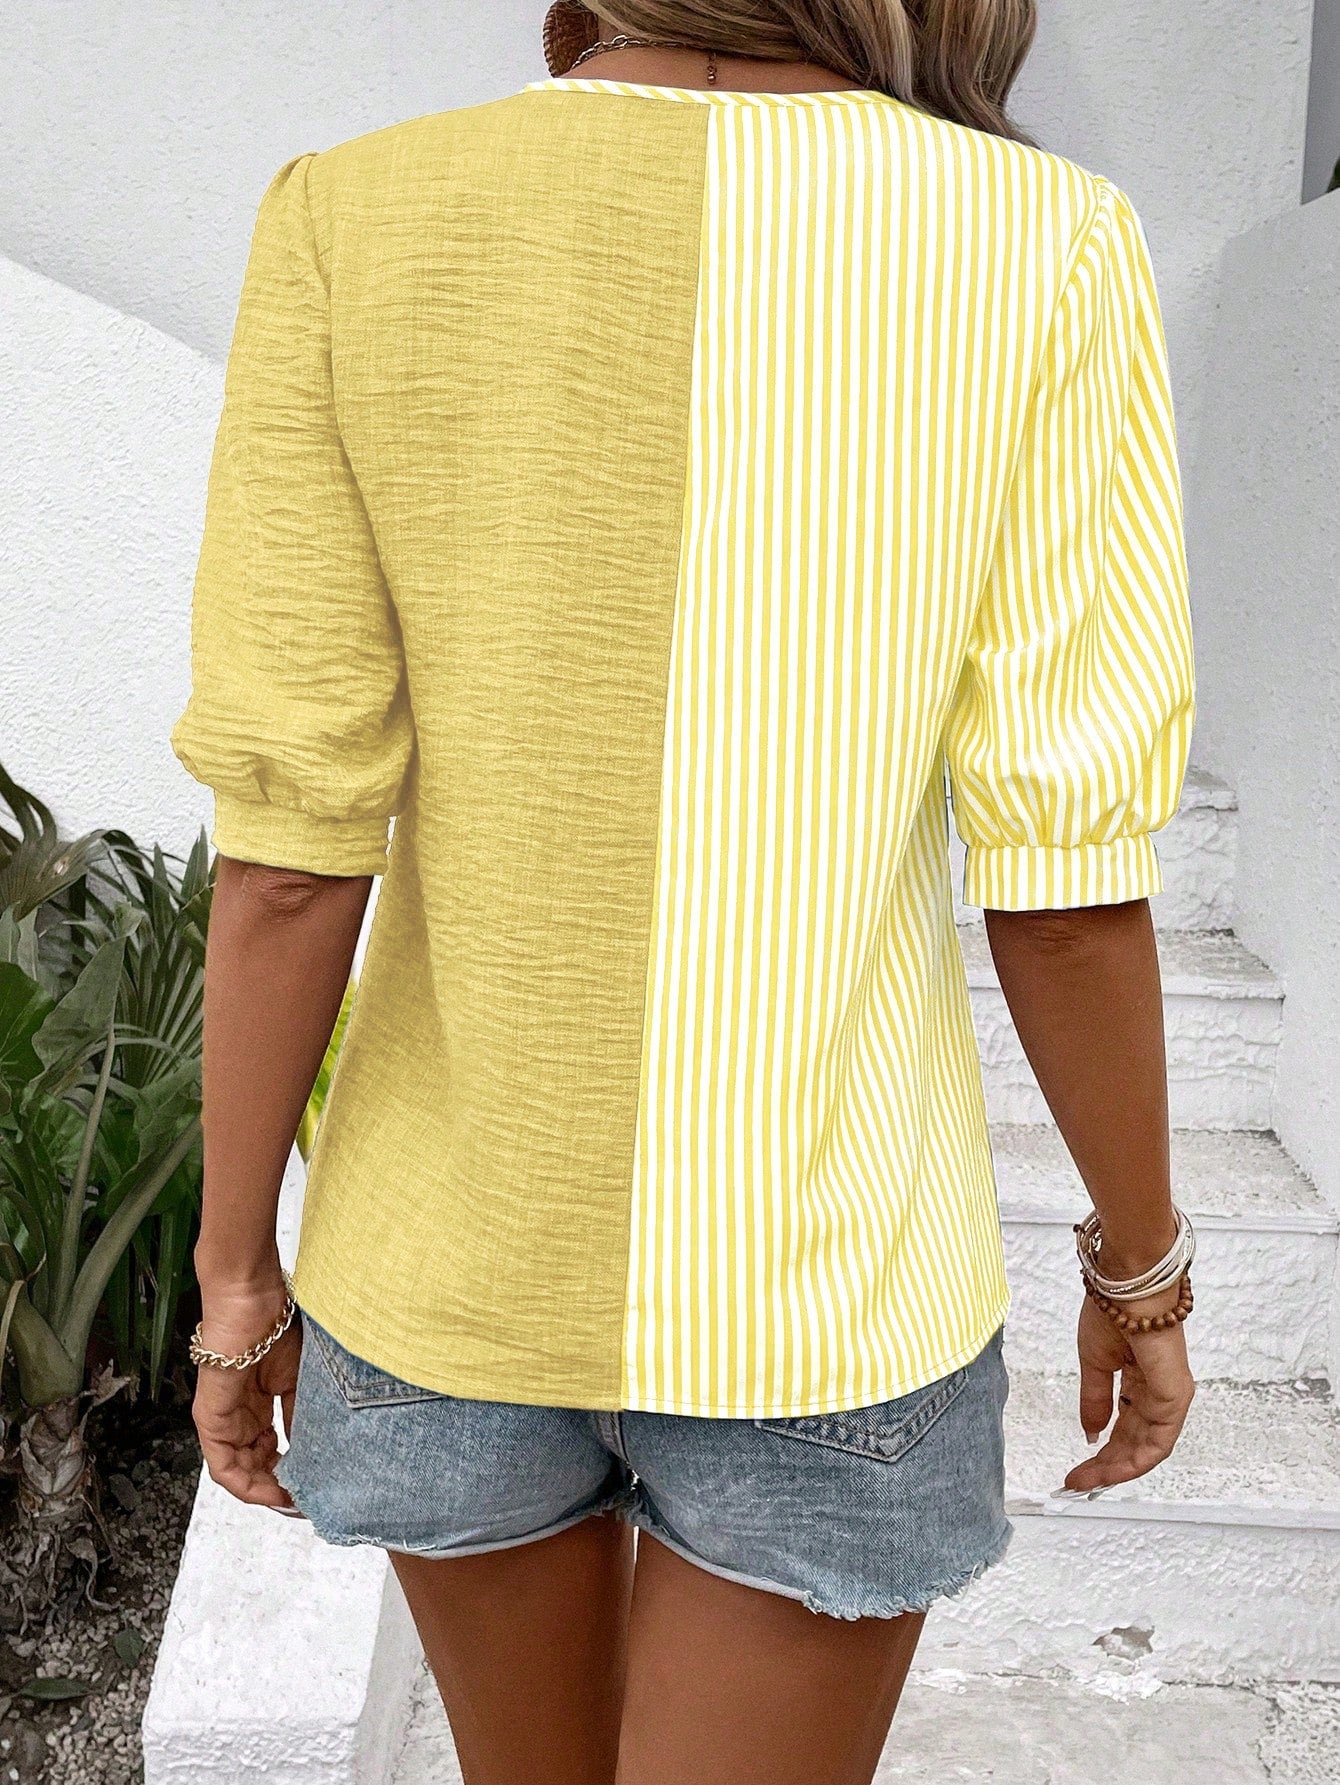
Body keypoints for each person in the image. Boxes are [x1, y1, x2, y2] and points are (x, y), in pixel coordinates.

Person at [171, 4, 1199, 1781]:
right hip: (827, 1295)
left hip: (448, 1280)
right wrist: (1142, 1263)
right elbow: (1066, 882)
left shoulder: (351, 214)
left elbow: (285, 854)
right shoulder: (1046, 246)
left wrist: (236, 1274)